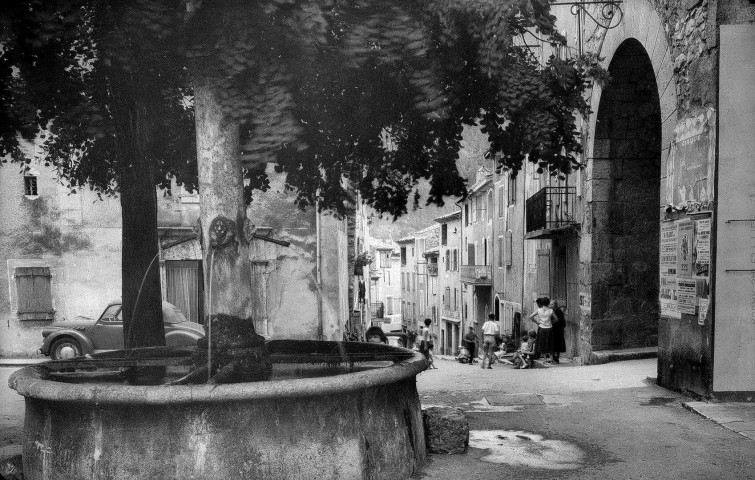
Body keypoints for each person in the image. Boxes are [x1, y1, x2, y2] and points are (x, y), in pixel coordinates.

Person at [529, 297, 556, 363]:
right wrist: (551, 322)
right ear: (548, 303)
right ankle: (551, 358)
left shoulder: (538, 310)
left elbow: (531, 317)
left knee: (542, 343)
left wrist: (537, 322)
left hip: (541, 328)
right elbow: (556, 319)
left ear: (542, 303)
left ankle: (544, 359)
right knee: (550, 343)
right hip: (549, 328)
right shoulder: (550, 311)